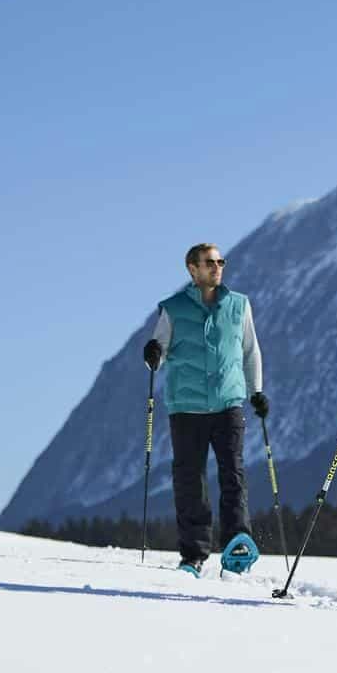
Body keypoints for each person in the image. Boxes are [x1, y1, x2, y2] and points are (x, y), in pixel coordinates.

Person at [142, 243, 269, 577]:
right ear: (192, 269)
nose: (216, 267)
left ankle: (236, 543)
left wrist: (256, 391)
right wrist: (153, 351)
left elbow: (250, 350)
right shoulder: (173, 308)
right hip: (186, 407)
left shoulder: (239, 305)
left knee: (233, 474)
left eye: (220, 262)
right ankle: (193, 555)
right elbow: (160, 349)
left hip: (228, 403)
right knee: (190, 481)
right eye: (209, 263)